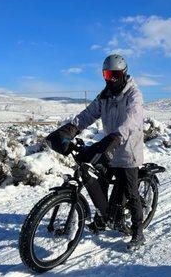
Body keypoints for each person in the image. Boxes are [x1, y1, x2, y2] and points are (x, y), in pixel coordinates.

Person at [45, 54, 145, 251]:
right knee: (100, 181)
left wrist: (117, 136)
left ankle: (138, 232)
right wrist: (69, 130)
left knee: (131, 193)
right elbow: (88, 114)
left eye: (115, 74)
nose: (111, 79)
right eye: (107, 74)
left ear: (123, 73)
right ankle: (102, 218)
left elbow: (133, 119)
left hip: (128, 149)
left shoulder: (133, 94)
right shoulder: (105, 95)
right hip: (110, 146)